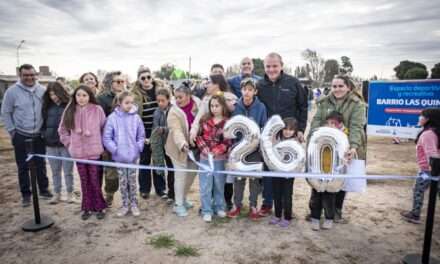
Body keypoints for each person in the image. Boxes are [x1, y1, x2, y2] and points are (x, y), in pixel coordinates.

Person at [309, 75, 367, 223]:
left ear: (348, 87)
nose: (337, 89)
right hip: (323, 148)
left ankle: (335, 212)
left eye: (341, 86)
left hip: (345, 149)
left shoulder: (357, 104)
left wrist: (353, 146)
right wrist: (313, 138)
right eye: (334, 86)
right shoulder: (324, 102)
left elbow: (356, 127)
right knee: (319, 178)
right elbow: (316, 121)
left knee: (341, 182)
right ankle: (315, 212)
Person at [256, 52, 308, 217]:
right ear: (264, 67)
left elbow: (303, 107)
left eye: (274, 66)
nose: (271, 69)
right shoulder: (259, 85)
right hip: (269, 137)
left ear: (281, 66)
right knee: (269, 169)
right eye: (268, 66)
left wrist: (300, 129)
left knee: (286, 173)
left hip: (289, 135)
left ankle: (286, 207)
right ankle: (267, 202)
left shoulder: (293, 83)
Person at [1, 64, 53, 207]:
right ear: (20, 75)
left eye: (32, 75)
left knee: (40, 164)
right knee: (23, 166)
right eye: (26, 75)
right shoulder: (11, 92)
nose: (29, 77)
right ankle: (26, 194)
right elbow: (5, 113)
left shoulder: (42, 90)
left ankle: (43, 189)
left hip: (38, 136)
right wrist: (12, 132)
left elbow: (47, 110)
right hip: (20, 135)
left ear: (36, 75)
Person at [58, 85, 107, 220]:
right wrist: (70, 144)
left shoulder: (97, 110)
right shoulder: (70, 110)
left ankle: (99, 207)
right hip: (78, 154)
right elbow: (62, 130)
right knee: (84, 181)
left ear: (89, 96)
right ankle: (86, 207)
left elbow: (104, 128)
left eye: (84, 95)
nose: (81, 98)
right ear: (74, 96)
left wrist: (101, 144)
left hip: (94, 153)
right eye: (78, 95)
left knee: (95, 181)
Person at [189, 74, 237, 210]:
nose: (206, 85)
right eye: (213, 106)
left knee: (221, 182)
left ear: (217, 84)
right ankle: (206, 207)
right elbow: (198, 120)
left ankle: (221, 205)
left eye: (209, 82)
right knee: (206, 182)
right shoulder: (206, 101)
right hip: (206, 154)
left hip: (223, 151)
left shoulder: (232, 98)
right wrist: (193, 132)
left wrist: (225, 101)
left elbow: (234, 113)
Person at [227, 78, 267, 220]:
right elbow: (232, 126)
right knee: (239, 178)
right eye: (245, 89)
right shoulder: (236, 106)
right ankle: (236, 205)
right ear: (241, 90)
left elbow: (264, 127)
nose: (247, 92)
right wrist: (232, 146)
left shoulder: (261, 107)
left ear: (255, 91)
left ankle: (253, 205)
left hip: (254, 149)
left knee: (254, 179)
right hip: (239, 148)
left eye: (250, 89)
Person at [103, 91, 145, 217]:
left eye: (131, 103)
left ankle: (134, 204)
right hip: (119, 158)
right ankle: (125, 204)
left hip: (133, 157)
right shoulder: (112, 118)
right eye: (126, 103)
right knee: (123, 182)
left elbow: (141, 135)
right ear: (119, 103)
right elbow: (106, 138)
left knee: (132, 181)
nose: (129, 105)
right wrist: (115, 150)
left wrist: (138, 148)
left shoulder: (136, 118)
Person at [165, 83, 201, 217]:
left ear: (189, 95)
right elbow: (176, 131)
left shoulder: (198, 104)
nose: (177, 100)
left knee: (191, 175)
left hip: (195, 148)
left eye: (180, 97)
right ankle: (178, 204)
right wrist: (182, 144)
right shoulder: (173, 112)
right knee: (180, 176)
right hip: (178, 149)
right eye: (176, 97)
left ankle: (183, 198)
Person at [131, 66, 167, 200]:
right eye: (143, 78)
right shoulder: (134, 94)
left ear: (152, 77)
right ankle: (144, 189)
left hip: (158, 128)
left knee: (158, 159)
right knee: (144, 160)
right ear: (139, 79)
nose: (146, 80)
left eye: (148, 77)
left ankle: (161, 188)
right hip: (143, 130)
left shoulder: (160, 90)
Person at [196, 94, 232, 222]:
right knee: (205, 185)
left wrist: (217, 150)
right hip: (205, 158)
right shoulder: (205, 120)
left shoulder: (227, 123)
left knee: (218, 184)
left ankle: (219, 207)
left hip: (219, 159)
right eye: (212, 106)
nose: (214, 108)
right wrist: (205, 149)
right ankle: (206, 210)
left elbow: (228, 142)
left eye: (217, 106)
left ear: (223, 106)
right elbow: (199, 136)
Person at [401, 108, 440, 224]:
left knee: (418, 190)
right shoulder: (435, 132)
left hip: (428, 170)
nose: (419, 118)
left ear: (428, 119)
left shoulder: (428, 134)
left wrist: (431, 171)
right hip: (433, 169)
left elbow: (431, 154)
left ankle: (415, 214)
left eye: (421, 116)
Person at [309, 112, 346, 231]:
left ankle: (329, 219)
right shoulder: (320, 135)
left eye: (333, 123)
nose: (330, 126)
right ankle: (315, 219)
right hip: (318, 173)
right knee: (316, 197)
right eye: (328, 123)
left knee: (330, 198)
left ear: (340, 125)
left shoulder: (343, 138)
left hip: (333, 175)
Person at [41, 82, 76, 204]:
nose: (53, 96)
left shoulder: (69, 106)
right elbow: (43, 123)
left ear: (61, 92)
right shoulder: (46, 106)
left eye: (55, 93)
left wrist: (70, 140)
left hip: (66, 145)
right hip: (50, 144)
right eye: (51, 94)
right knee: (55, 171)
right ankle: (57, 194)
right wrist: (44, 134)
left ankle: (70, 193)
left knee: (68, 171)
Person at [97, 71, 125, 206]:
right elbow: (99, 123)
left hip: (125, 142)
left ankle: (125, 197)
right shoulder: (102, 99)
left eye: (122, 81)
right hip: (109, 142)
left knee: (126, 173)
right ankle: (109, 194)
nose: (121, 84)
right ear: (110, 83)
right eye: (117, 81)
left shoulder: (128, 96)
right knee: (111, 173)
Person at [269, 117, 299, 228]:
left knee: (287, 195)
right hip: (276, 172)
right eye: (285, 128)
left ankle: (287, 217)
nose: (287, 131)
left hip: (288, 175)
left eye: (291, 129)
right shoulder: (276, 139)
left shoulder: (296, 142)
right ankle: (277, 215)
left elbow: (298, 159)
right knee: (276, 194)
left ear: (295, 131)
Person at [151, 88, 175, 204]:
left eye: (163, 101)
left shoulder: (174, 110)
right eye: (158, 101)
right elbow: (155, 127)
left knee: (172, 170)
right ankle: (162, 190)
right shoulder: (156, 112)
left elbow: (174, 128)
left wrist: (164, 130)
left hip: (172, 145)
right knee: (159, 165)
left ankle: (172, 194)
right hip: (161, 145)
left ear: (168, 99)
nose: (160, 103)